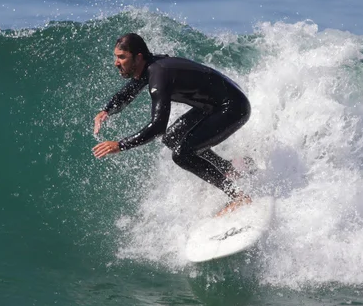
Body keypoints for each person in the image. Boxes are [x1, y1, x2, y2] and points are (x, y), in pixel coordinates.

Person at [92, 33, 251, 215]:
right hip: (212, 106)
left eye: (122, 57)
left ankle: (238, 196)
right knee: (172, 138)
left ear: (138, 57)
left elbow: (158, 127)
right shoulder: (149, 67)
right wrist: (107, 110)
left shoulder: (159, 75)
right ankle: (228, 169)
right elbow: (130, 91)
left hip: (232, 107)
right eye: (116, 57)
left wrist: (121, 145)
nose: (116, 62)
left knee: (182, 154)